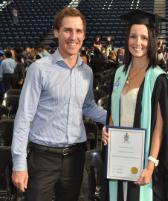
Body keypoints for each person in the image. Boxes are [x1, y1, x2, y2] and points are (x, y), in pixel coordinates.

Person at [11, 7, 107, 201]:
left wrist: (118, 118)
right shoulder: (39, 69)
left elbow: (87, 106)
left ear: (84, 35)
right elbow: (24, 117)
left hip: (75, 157)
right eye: (67, 30)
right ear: (56, 32)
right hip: (43, 158)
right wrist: (19, 163)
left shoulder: (86, 72)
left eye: (78, 31)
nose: (73, 36)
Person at [102, 9, 168, 201]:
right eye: (133, 36)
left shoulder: (158, 78)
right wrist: (106, 128)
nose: (138, 43)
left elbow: (160, 125)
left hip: (142, 157)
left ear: (152, 41)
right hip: (118, 154)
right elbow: (114, 108)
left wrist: (151, 164)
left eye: (143, 37)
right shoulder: (119, 73)